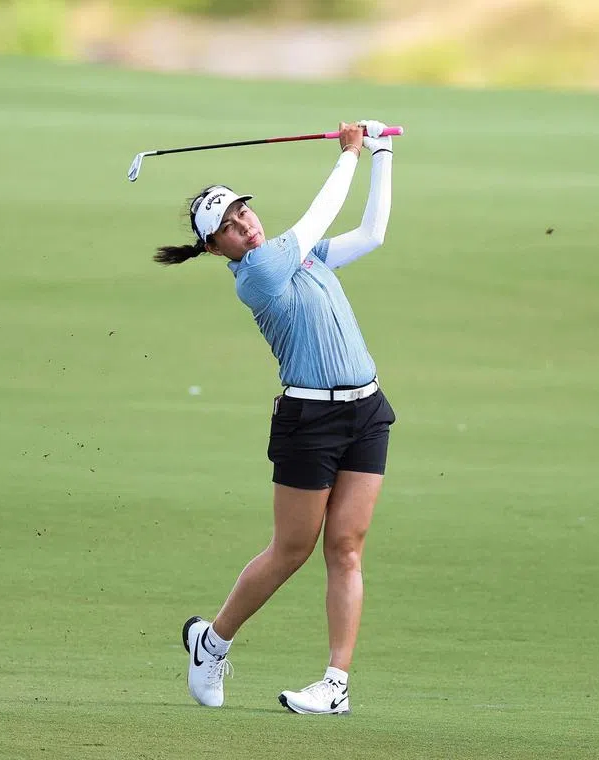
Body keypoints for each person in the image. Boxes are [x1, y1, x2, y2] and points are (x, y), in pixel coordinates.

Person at [154, 120, 396, 715]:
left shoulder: (302, 256)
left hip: (367, 410)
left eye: (244, 213)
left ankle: (335, 685)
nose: (244, 226)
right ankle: (213, 643)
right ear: (216, 249)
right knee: (292, 548)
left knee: (346, 548)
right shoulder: (259, 273)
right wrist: (348, 154)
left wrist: (382, 153)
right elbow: (316, 217)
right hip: (308, 421)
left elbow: (372, 233)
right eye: (230, 228)